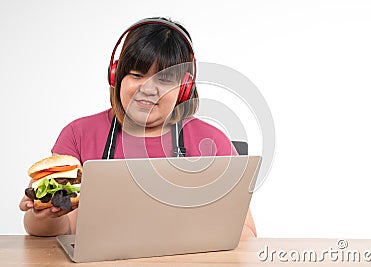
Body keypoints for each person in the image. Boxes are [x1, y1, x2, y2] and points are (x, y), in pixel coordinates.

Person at [19, 17, 257, 239]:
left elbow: (246, 233)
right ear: (117, 76)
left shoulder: (212, 141)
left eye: (164, 80)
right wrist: (47, 216)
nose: (148, 89)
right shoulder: (78, 134)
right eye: (136, 74)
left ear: (184, 88)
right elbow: (56, 228)